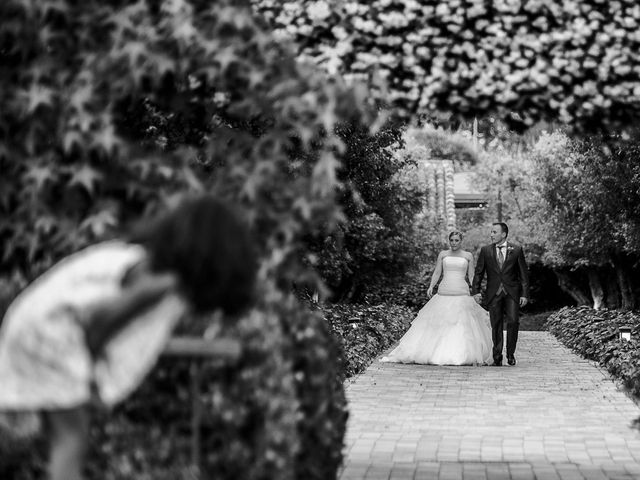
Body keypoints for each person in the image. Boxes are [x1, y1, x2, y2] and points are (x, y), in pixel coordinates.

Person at [0, 194, 258, 480]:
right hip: (52, 330)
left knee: (48, 431)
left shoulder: (152, 271)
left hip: (39, 323)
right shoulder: (157, 283)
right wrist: (88, 370)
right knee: (71, 436)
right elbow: (99, 320)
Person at [381, 231, 492, 365]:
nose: (454, 243)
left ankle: (460, 353)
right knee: (440, 322)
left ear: (461, 241)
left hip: (461, 291)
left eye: (457, 240)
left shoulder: (468, 256)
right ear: (449, 241)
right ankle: (433, 352)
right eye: (452, 240)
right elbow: (437, 272)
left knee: (462, 323)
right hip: (444, 290)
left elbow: (472, 276)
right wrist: (431, 286)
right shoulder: (443, 254)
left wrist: (475, 292)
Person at [471, 222, 529, 367]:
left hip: (512, 293)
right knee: (495, 325)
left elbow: (524, 275)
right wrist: (476, 291)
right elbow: (479, 273)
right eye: (491, 232)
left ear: (503, 234)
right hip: (494, 293)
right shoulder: (486, 251)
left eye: (494, 232)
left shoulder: (516, 250)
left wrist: (525, 294)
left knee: (513, 322)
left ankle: (510, 354)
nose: (491, 234)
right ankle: (497, 356)